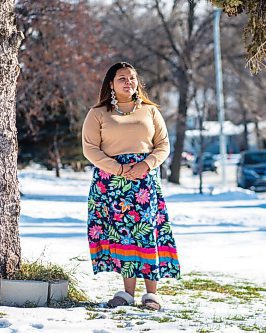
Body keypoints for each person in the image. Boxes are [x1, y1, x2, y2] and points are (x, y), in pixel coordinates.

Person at [82, 62, 180, 310]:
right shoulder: (98, 113)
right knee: (123, 234)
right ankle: (126, 293)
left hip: (144, 182)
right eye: (122, 79)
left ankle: (151, 295)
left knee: (145, 233)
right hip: (112, 184)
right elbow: (90, 148)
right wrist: (120, 169)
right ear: (111, 84)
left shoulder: (150, 111)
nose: (129, 83)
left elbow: (163, 145)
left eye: (133, 78)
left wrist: (145, 165)